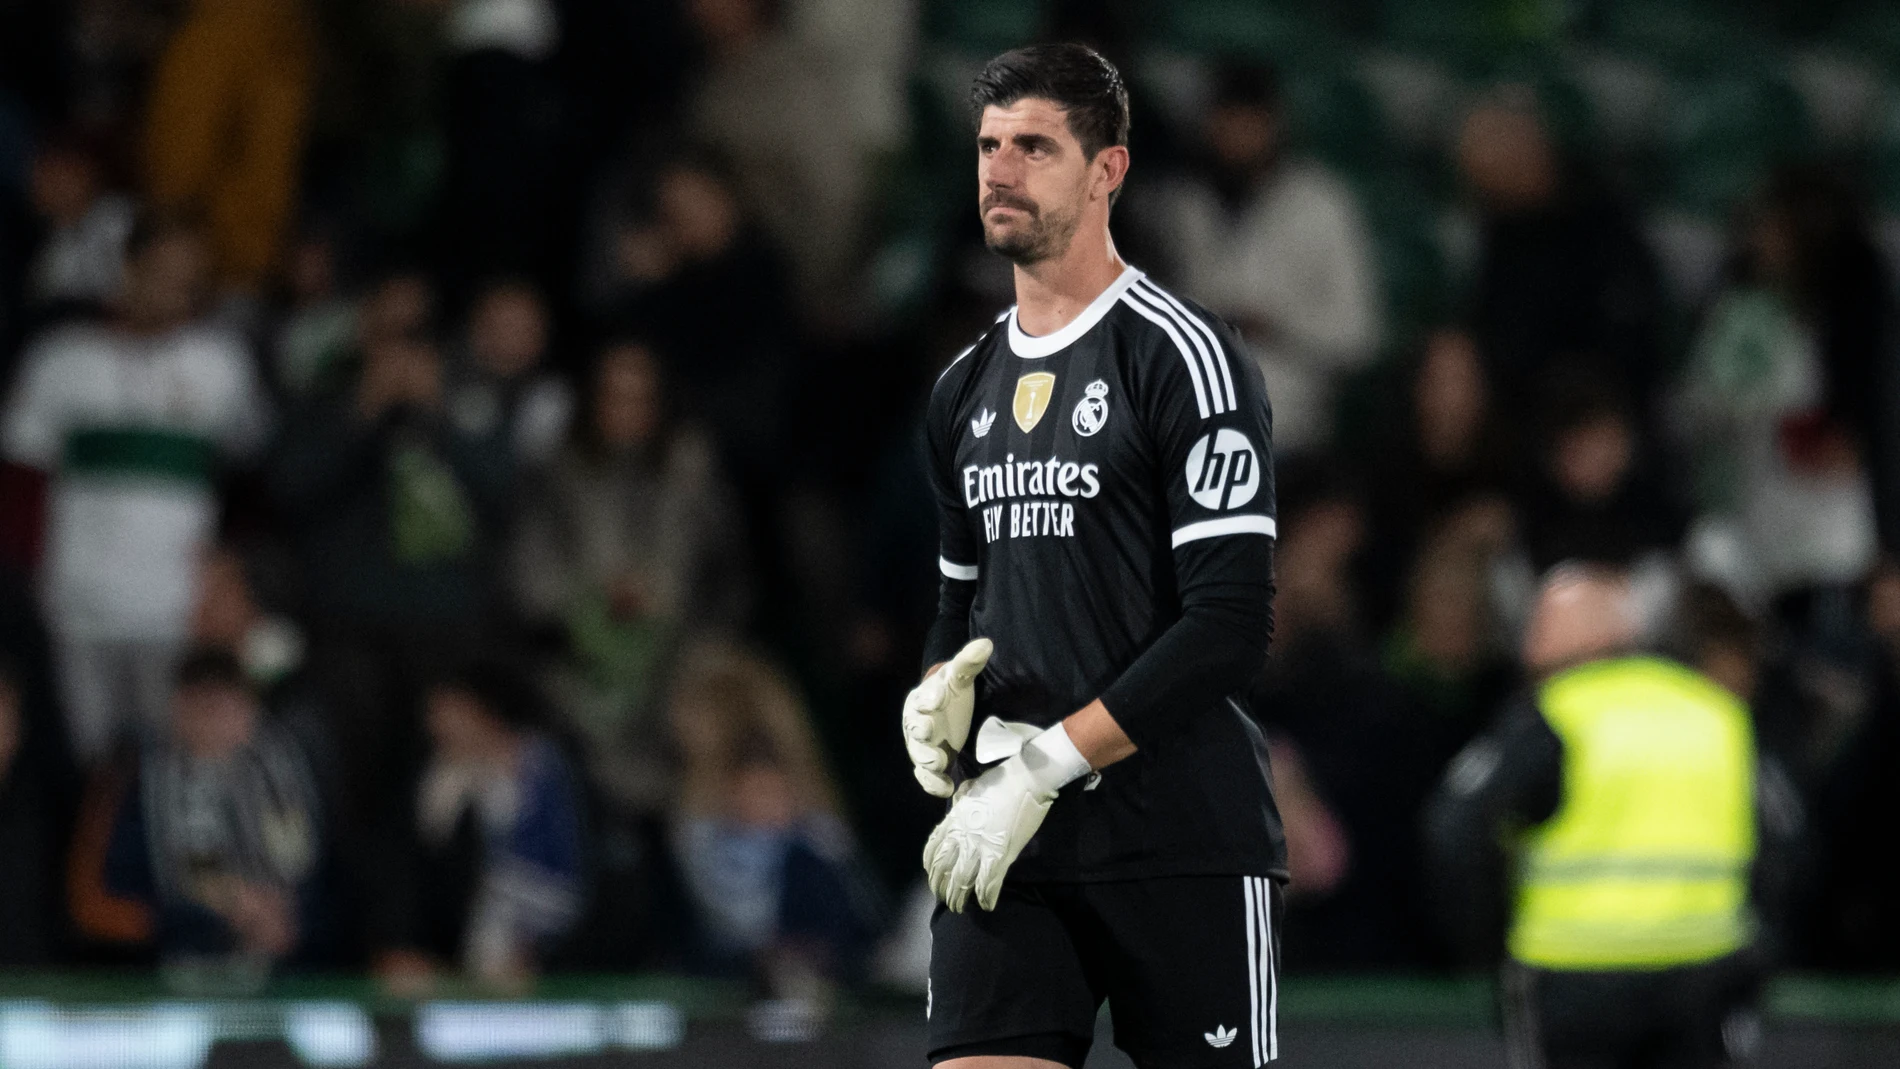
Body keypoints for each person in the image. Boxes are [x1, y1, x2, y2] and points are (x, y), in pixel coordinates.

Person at [908, 45, 1284, 1068]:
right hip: (1010, 837)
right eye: (988, 146)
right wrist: (935, 692)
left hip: (1178, 833)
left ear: (1106, 171)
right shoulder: (960, 389)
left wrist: (1046, 763)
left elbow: (1227, 628)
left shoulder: (1183, 354)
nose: (1000, 170)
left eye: (1034, 146)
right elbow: (960, 609)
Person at [1425, 566, 1800, 1069]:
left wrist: (1486, 944)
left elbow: (1455, 829)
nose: (1528, 650)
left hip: (1572, 979)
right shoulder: (1714, 712)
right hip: (1703, 976)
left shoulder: (1554, 713)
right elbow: (1789, 841)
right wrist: (1756, 950)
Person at [2, 215, 271, 764]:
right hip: (74, 605)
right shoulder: (61, 358)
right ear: (129, 268)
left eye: (190, 279)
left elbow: (250, 479)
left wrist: (228, 573)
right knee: (88, 771)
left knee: (173, 764)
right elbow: (20, 485)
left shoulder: (221, 363)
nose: (176, 289)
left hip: (176, 608)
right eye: (164, 272)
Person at [1137, 60, 1381, 457]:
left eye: (1249, 122)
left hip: (1292, 429)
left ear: (1274, 124)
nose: (1237, 136)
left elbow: (1358, 335)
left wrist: (1276, 322)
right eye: (1226, 121)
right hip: (1185, 428)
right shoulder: (1179, 206)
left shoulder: (1321, 204)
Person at [71, 648, 326, 975]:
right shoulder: (137, 783)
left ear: (250, 711)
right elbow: (116, 899)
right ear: (177, 709)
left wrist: (287, 916)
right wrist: (225, 913)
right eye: (204, 709)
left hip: (292, 971)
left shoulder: (287, 772)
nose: (215, 725)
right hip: (171, 972)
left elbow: (323, 880)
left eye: (227, 708)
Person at [372, 662, 584, 992]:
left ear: (483, 710)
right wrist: (403, 946)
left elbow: (572, 882)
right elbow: (403, 874)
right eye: (434, 713)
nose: (438, 725)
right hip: (449, 972)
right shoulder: (430, 783)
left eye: (451, 710)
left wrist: (537, 955)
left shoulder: (545, 771)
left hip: (543, 967)